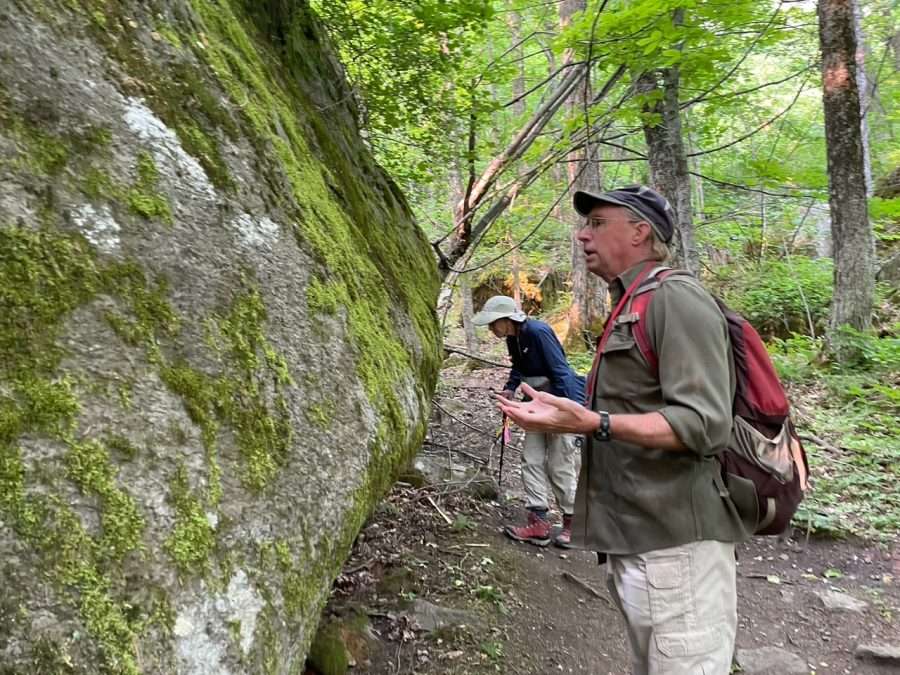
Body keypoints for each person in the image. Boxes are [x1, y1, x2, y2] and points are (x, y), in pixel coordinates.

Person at [496, 185, 748, 675]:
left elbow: (705, 423)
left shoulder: (675, 299)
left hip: (679, 545)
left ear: (640, 232)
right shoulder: (631, 302)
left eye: (597, 223)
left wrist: (593, 422)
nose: (582, 234)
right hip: (639, 542)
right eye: (585, 224)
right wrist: (568, 415)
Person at [472, 295, 585, 548]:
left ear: (506, 319)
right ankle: (539, 522)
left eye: (493, 324)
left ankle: (573, 523)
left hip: (557, 402)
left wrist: (571, 412)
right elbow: (518, 368)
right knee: (531, 458)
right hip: (533, 403)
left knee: (560, 463)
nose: (491, 330)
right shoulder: (513, 338)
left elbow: (561, 371)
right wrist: (511, 389)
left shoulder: (538, 331)